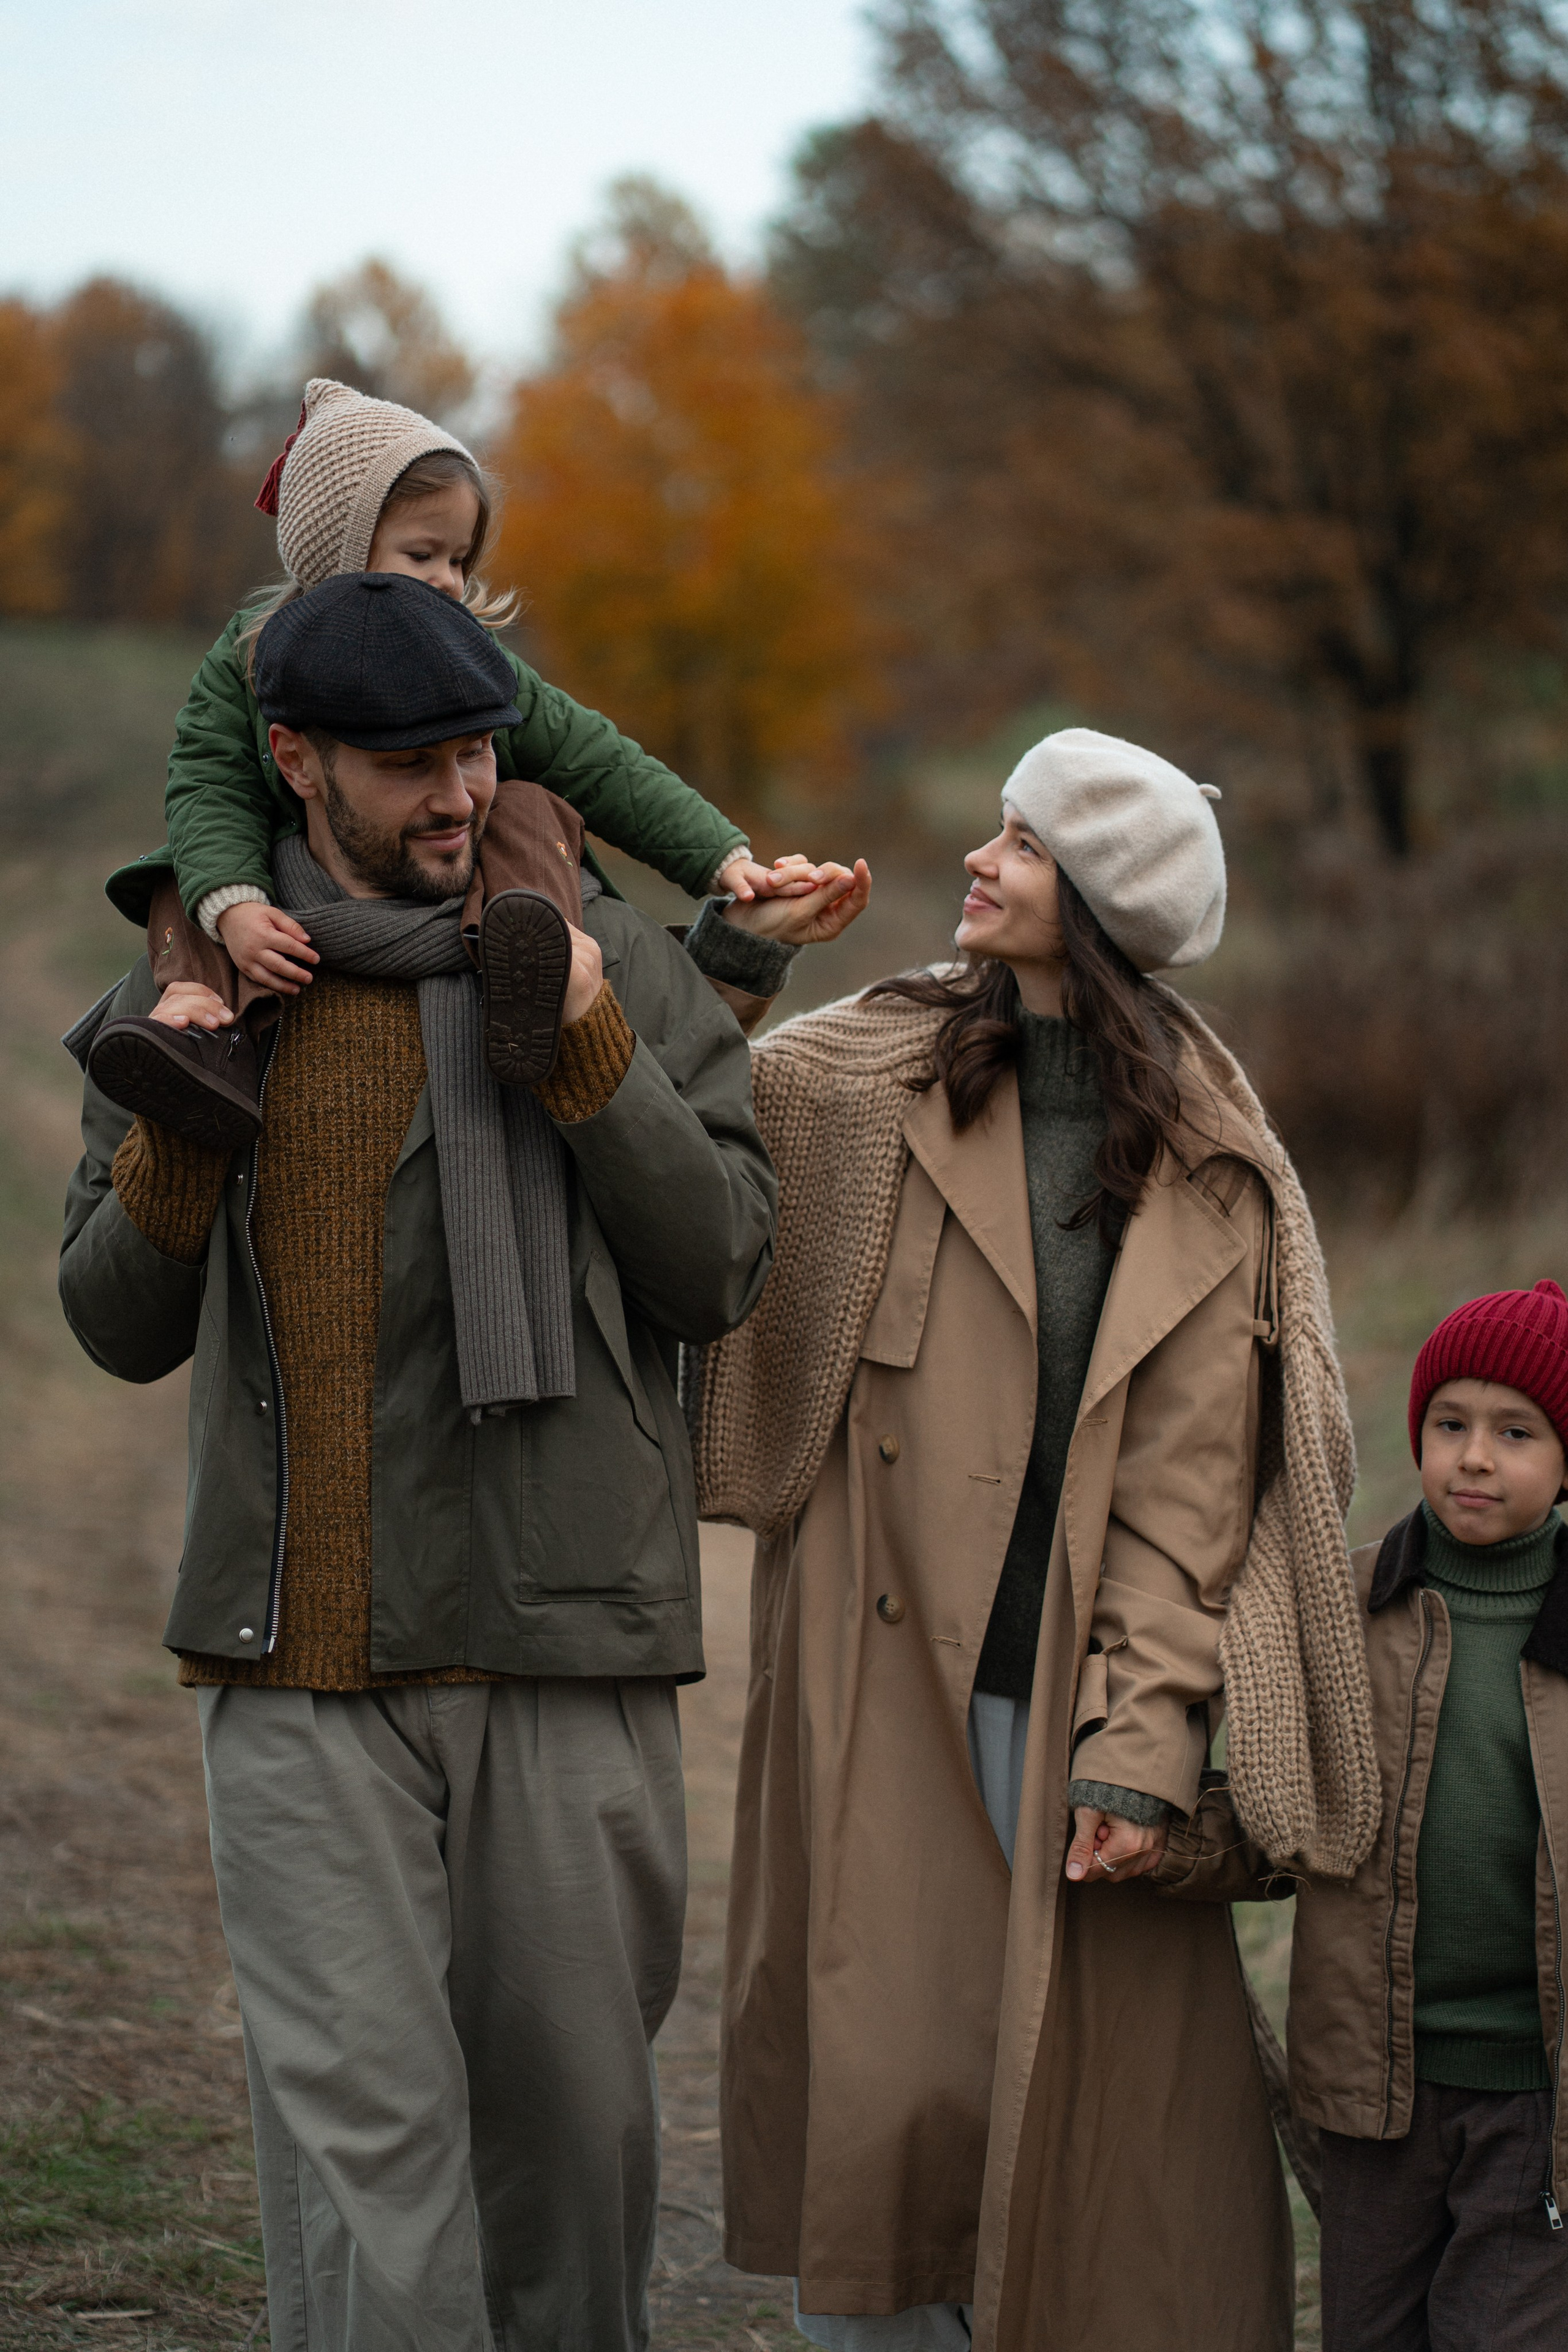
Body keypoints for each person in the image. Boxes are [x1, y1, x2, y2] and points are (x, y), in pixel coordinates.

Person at [58, 569, 796, 2352]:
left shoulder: (610, 958)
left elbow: (719, 1268)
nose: (458, 792)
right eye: (408, 762)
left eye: (476, 748)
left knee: (573, 2158)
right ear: (295, 759)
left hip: (562, 1639)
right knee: (365, 2173)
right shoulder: (189, 978)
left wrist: (594, 1048)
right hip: (298, 1662)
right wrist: (181, 1116)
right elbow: (115, 1320)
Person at [692, 728, 1381, 2350]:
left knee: (1099, 2152)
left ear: (1103, 902)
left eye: (1023, 841)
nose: (980, 861)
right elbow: (689, 1125)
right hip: (869, 1689)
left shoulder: (1213, 1172)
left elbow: (1190, 1502)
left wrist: (1141, 1749)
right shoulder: (873, 1073)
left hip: (1061, 1712)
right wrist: (729, 966)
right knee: (885, 2119)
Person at [87, 374, 821, 1148]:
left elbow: (593, 758)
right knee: (181, 884)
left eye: (459, 560)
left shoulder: (473, 660)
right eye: (422, 554)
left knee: (529, 813)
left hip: (455, 886)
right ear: (337, 549)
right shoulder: (247, 659)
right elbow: (209, 783)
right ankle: (203, 1046)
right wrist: (232, 904)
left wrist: (716, 853)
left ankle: (527, 975)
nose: (448, 581)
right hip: (294, 874)